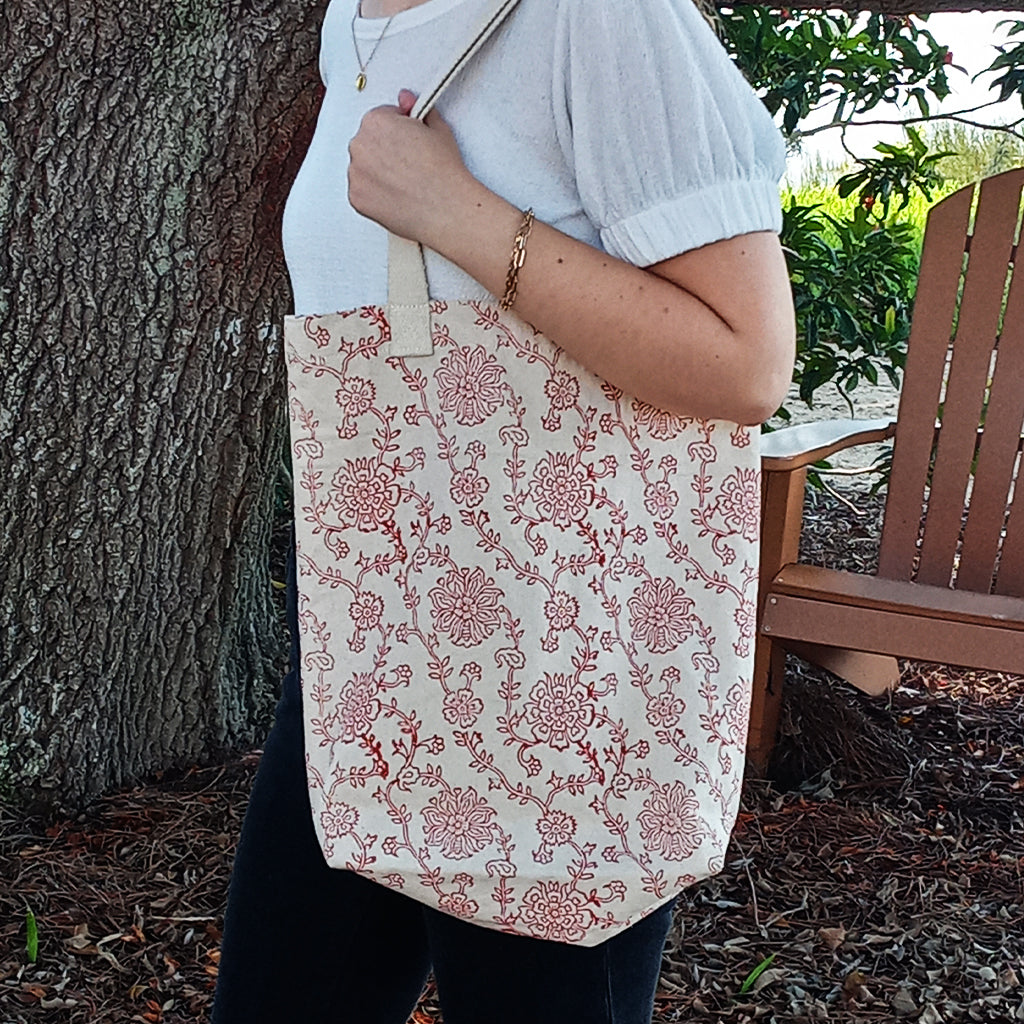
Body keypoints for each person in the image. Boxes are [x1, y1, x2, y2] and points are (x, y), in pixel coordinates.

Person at [211, 0, 795, 1021]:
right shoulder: (352, 15)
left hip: (555, 678)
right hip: (368, 651)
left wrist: (457, 214)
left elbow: (746, 363)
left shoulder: (601, 18)